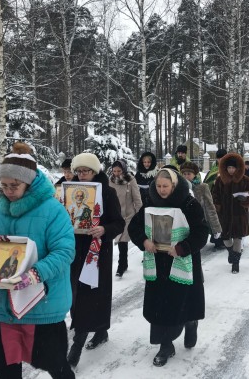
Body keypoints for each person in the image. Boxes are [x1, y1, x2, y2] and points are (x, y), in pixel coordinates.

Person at [0, 142, 76, 379]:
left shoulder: (53, 210)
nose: (8, 191)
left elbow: (64, 252)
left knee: (56, 366)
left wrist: (34, 274)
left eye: (14, 185)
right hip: (4, 307)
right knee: (6, 371)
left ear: (30, 182)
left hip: (42, 304)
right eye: (4, 186)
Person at [128, 168, 208, 367]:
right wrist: (144, 240)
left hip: (181, 260)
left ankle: (191, 323)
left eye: (166, 186)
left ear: (174, 185)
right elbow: (134, 226)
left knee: (183, 303)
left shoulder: (189, 203)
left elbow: (201, 232)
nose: (162, 190)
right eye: (158, 186)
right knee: (161, 307)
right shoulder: (149, 201)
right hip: (157, 263)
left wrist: (182, 248)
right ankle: (166, 345)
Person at [68, 153, 125, 367]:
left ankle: (77, 344)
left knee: (90, 295)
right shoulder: (69, 191)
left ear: (95, 172)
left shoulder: (107, 193)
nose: (82, 175)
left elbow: (118, 223)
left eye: (87, 171)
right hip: (74, 249)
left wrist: (104, 228)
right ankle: (100, 330)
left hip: (97, 250)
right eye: (79, 171)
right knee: (75, 293)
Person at [212, 153, 249, 273]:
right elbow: (215, 195)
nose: (231, 170)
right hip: (224, 214)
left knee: (237, 238)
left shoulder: (245, 180)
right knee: (225, 238)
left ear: (238, 168)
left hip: (239, 213)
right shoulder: (220, 180)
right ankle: (231, 252)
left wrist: (246, 199)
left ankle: (235, 263)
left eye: (233, 168)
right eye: (229, 168)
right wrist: (217, 206)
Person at [109, 159, 142, 277]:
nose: (117, 173)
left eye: (119, 170)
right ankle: (124, 263)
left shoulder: (130, 180)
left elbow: (137, 199)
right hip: (115, 215)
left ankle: (121, 265)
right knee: (117, 239)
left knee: (123, 240)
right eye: (114, 171)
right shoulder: (111, 181)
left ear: (124, 169)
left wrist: (140, 214)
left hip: (128, 215)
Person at [180, 161, 222, 239]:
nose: (186, 176)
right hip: (183, 223)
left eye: (189, 174)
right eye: (184, 174)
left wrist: (216, 228)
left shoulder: (202, 187)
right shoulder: (179, 187)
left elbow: (210, 207)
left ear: (195, 174)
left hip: (199, 222)